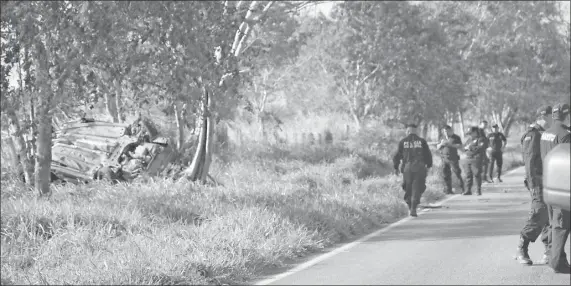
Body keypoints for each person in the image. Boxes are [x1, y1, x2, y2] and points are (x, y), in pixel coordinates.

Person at [515, 106, 552, 266]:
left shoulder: (544, 134)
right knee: (539, 213)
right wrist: (534, 185)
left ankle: (549, 251)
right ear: (545, 117)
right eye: (552, 117)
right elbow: (530, 163)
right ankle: (522, 248)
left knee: (549, 216)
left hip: (549, 182)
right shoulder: (533, 135)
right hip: (537, 183)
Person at [540, 103, 571, 274]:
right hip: (563, 187)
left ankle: (559, 259)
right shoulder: (565, 135)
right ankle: (557, 262)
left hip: (549, 185)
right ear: (567, 115)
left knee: (555, 224)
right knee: (561, 225)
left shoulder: (545, 133)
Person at [393, 123, 433, 217]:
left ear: (408, 131)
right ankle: (414, 207)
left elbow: (397, 156)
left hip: (408, 168)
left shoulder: (403, 141)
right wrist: (429, 166)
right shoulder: (422, 141)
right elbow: (428, 154)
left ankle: (410, 206)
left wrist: (396, 167)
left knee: (408, 187)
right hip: (420, 167)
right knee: (419, 187)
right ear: (416, 130)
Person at [437, 125, 465, 195]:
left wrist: (450, 144)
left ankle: (462, 188)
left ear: (450, 130)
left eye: (447, 131)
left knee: (457, 173)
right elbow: (437, 147)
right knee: (446, 174)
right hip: (444, 158)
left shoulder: (456, 137)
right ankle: (448, 190)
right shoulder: (442, 138)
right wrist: (441, 144)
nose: (445, 133)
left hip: (453, 158)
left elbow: (460, 146)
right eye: (444, 131)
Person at [462, 126, 487, 196]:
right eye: (469, 133)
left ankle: (478, 190)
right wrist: (468, 148)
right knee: (468, 175)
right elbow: (464, 148)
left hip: (476, 159)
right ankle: (468, 190)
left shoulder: (481, 139)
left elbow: (480, 148)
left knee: (476, 174)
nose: (470, 135)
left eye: (471, 133)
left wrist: (470, 147)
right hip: (468, 158)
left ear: (475, 132)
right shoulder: (469, 140)